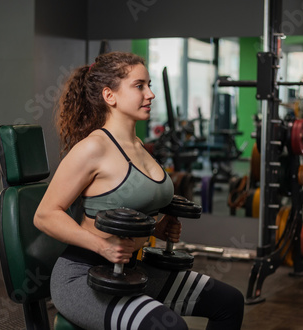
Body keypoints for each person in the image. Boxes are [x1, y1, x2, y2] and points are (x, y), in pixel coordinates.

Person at [34, 51, 244, 330]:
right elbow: (45, 215)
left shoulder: (139, 145)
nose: (150, 94)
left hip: (131, 270)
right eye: (139, 86)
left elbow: (128, 209)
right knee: (170, 327)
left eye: (150, 85)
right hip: (84, 276)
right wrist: (103, 245)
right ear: (110, 96)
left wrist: (156, 229)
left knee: (229, 302)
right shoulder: (92, 148)